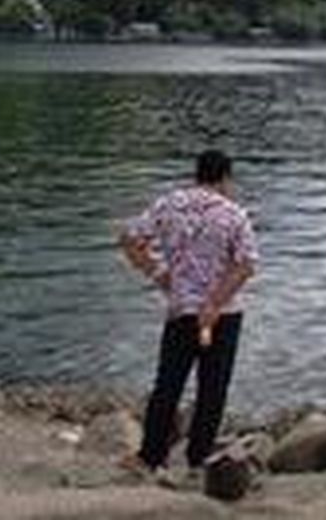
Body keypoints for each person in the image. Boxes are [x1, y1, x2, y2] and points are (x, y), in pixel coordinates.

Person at [118, 150, 259, 473]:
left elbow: (129, 240)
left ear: (196, 175)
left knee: (168, 384)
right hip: (223, 315)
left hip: (181, 308)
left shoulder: (169, 204)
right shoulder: (234, 214)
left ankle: (150, 456)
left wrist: (160, 276)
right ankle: (198, 459)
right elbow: (246, 265)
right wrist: (214, 303)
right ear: (225, 178)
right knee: (212, 389)